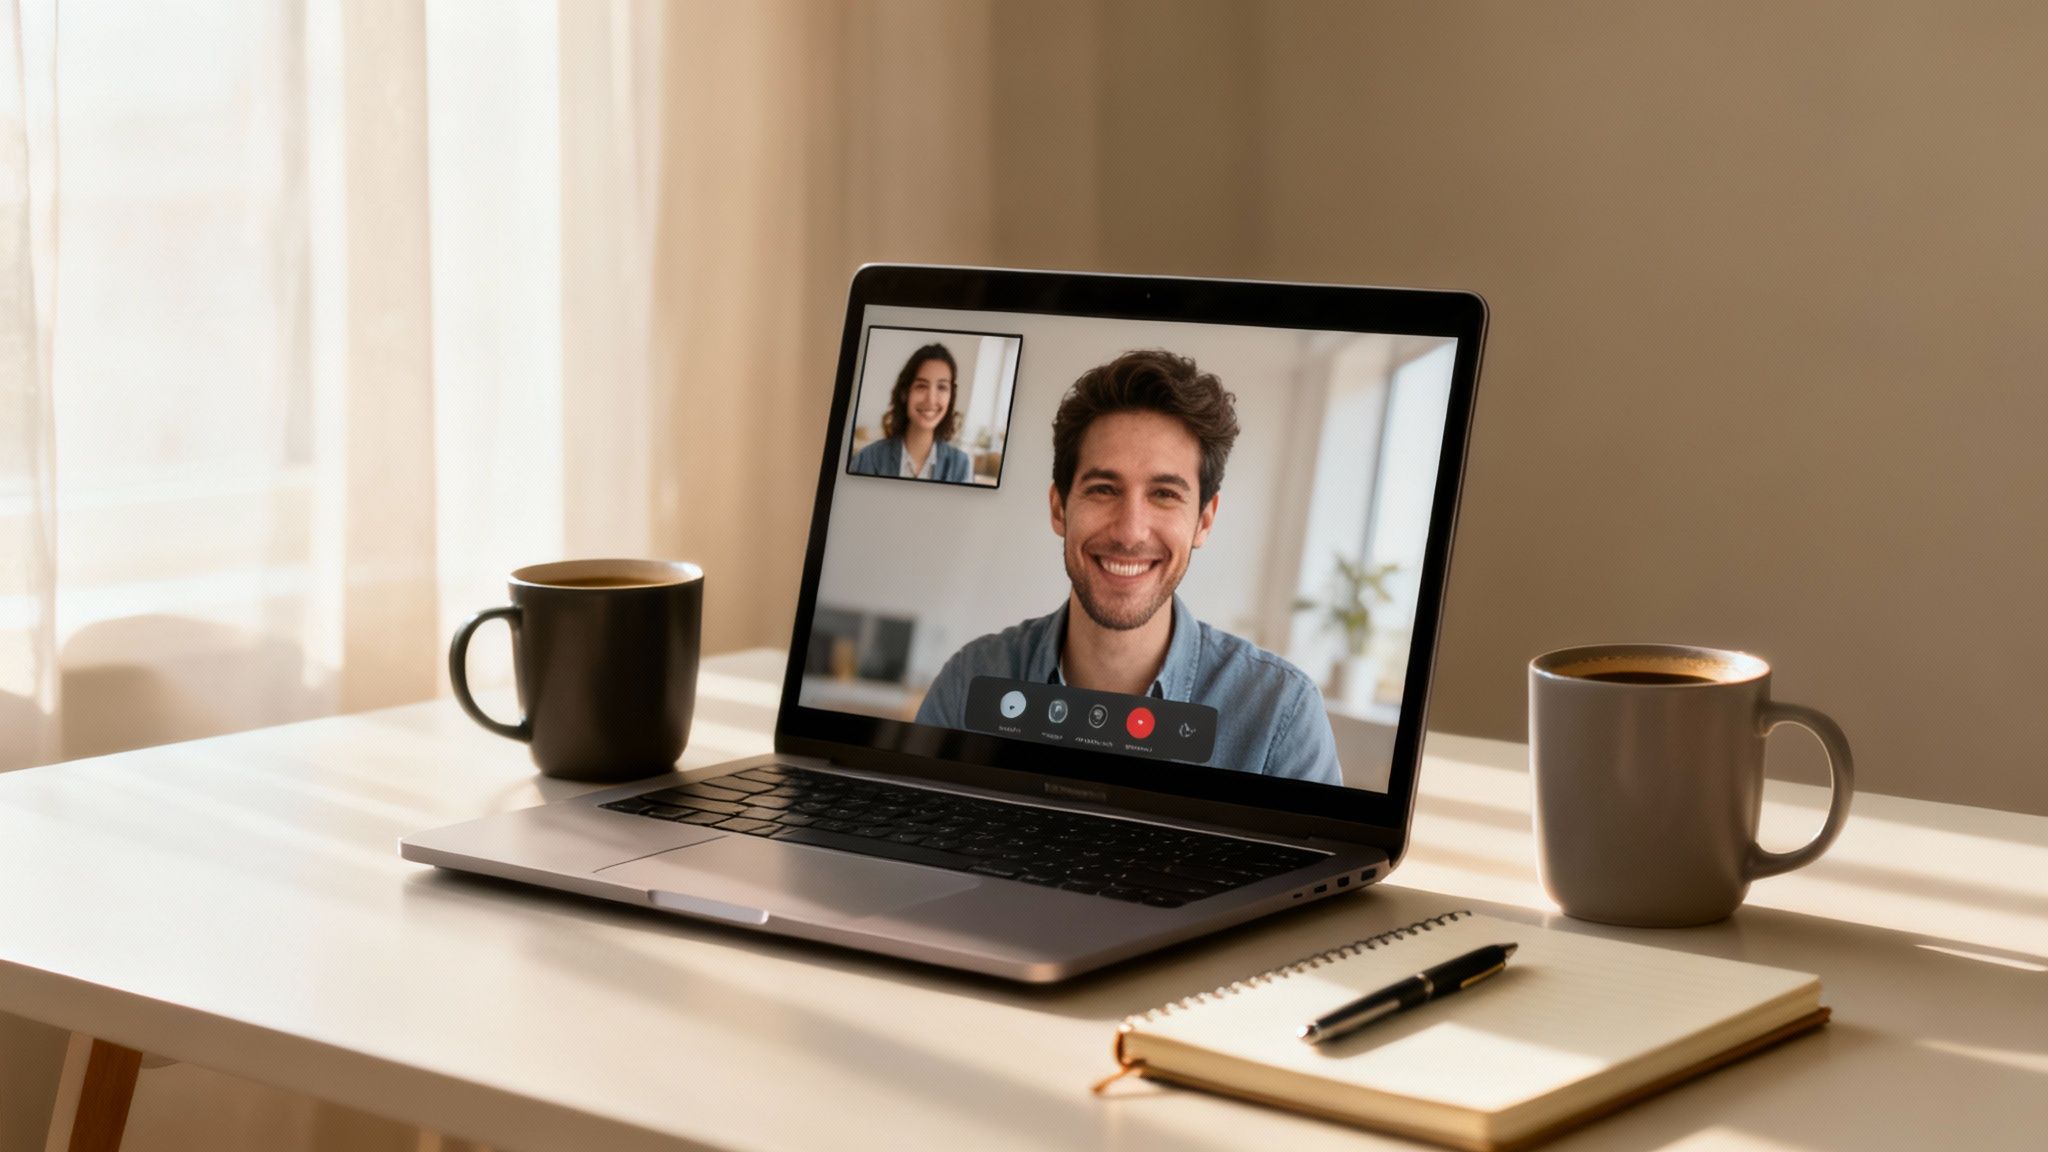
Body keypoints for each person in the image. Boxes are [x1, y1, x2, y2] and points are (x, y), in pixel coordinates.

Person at [916, 349, 1342, 785]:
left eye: (1164, 494)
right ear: (1059, 509)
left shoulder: (1281, 716)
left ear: (1204, 521)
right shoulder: (969, 682)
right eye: (1103, 489)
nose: (1130, 532)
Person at [848, 343, 975, 483]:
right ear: (904, 393)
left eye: (942, 387)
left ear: (951, 397)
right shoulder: (868, 459)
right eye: (921, 386)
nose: (931, 399)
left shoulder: (961, 466)